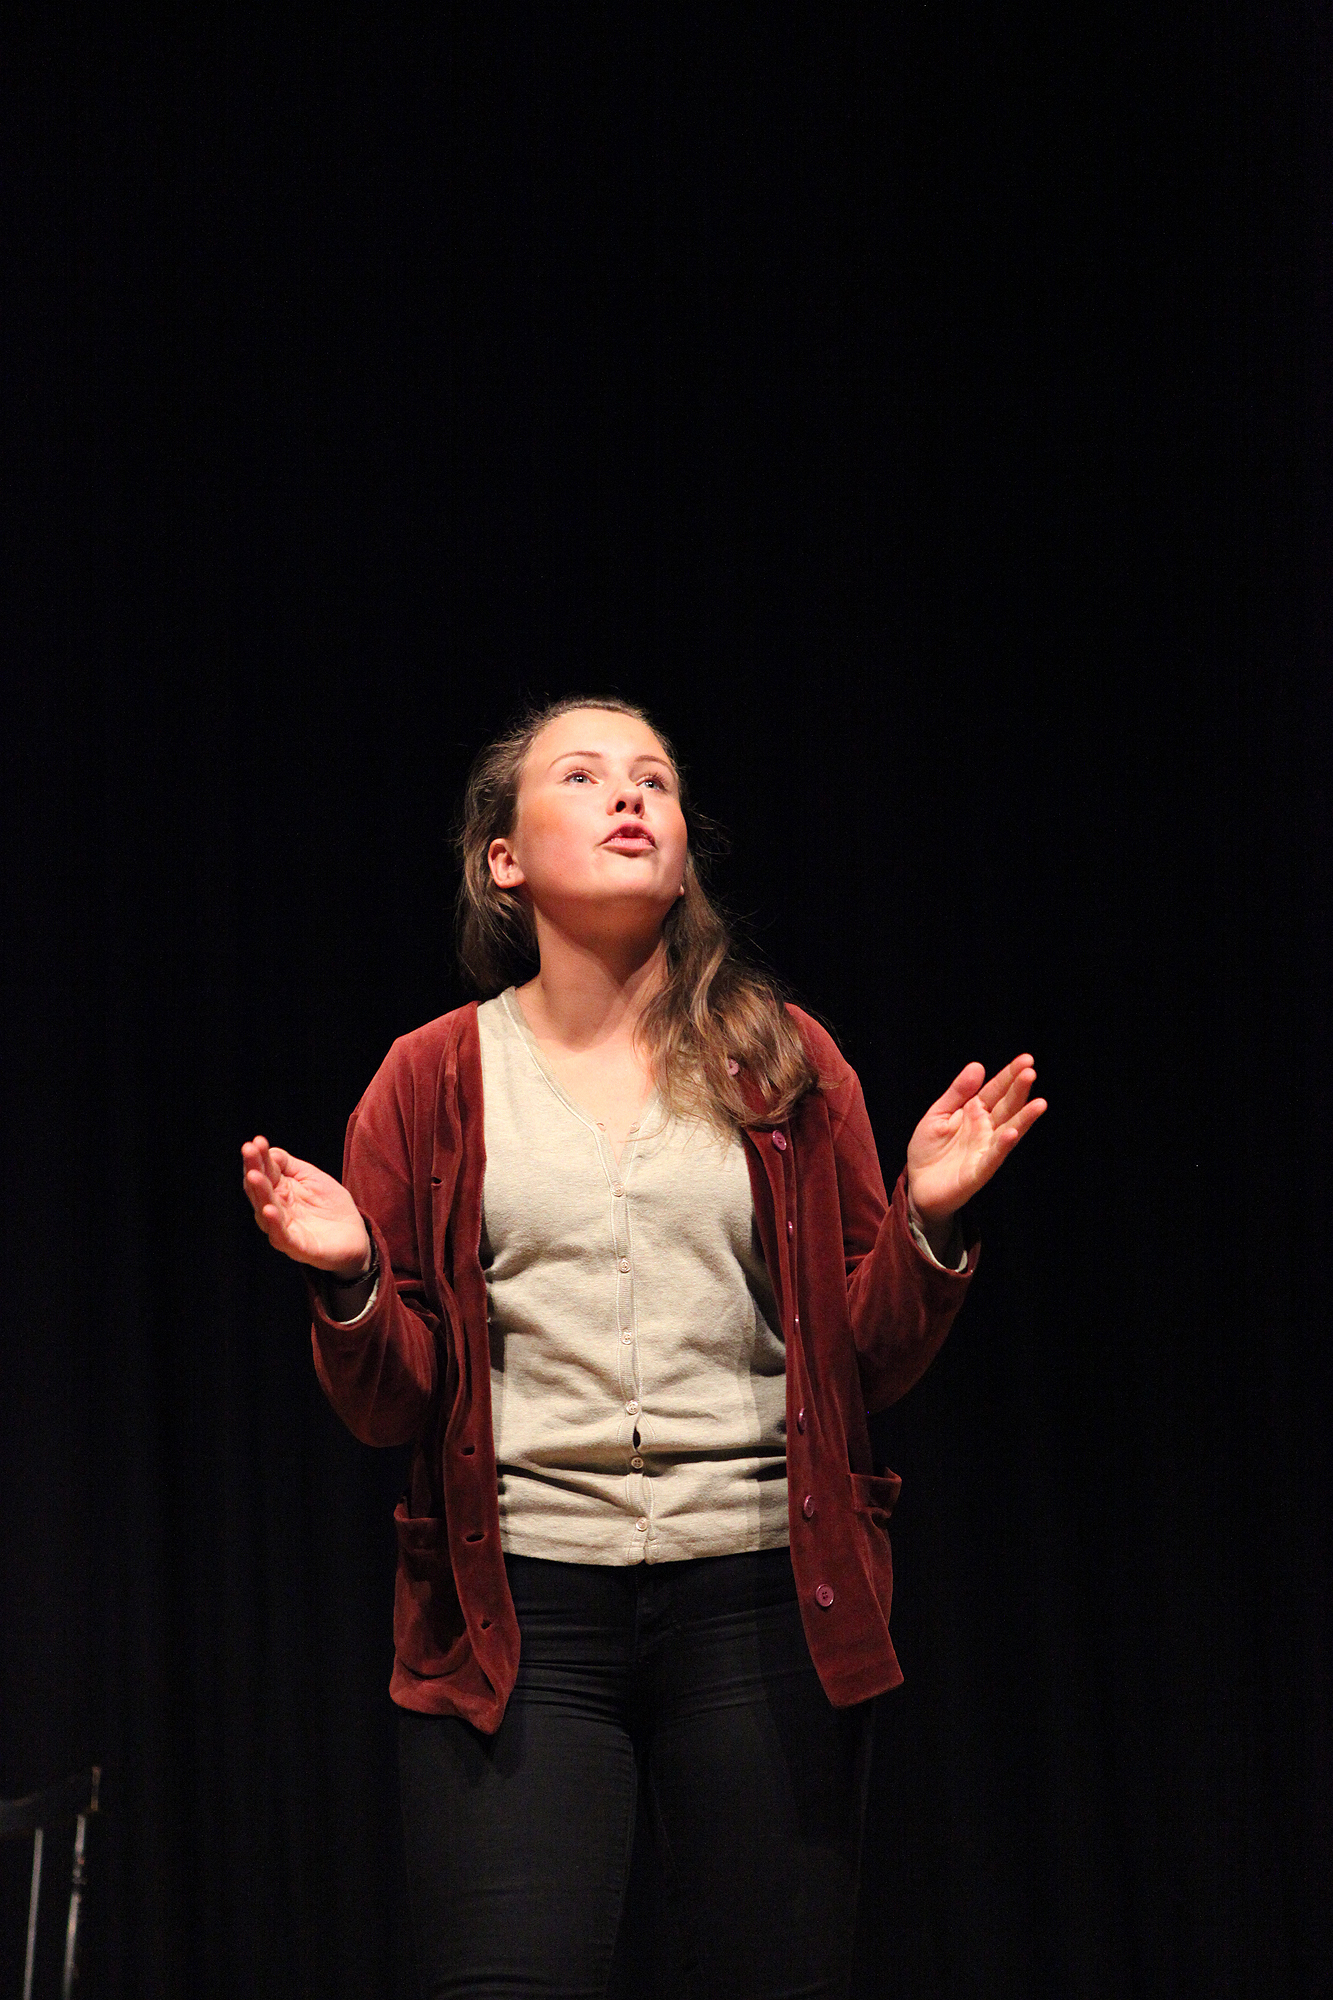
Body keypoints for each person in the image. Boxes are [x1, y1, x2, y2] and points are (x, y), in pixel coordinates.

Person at [241, 695, 1045, 2000]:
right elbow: (392, 1408)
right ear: (503, 859)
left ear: (681, 855)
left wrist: (927, 1224)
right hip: (518, 1623)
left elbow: (865, 1364)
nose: (629, 797)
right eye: (584, 776)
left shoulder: (779, 1061)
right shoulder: (430, 1079)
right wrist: (352, 1282)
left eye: (653, 782)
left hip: (763, 1601)